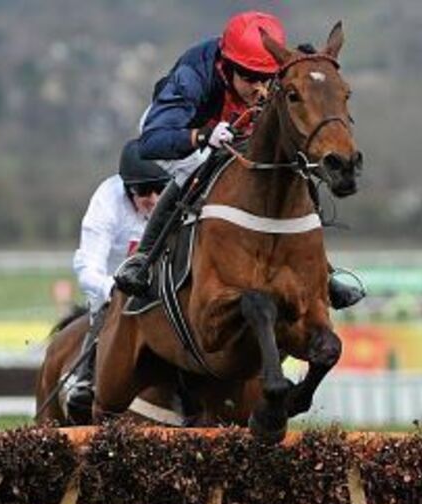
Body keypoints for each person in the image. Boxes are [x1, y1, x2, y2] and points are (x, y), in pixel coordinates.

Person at [113, 11, 365, 310]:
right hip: (179, 130)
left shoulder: (276, 67)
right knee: (194, 170)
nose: (258, 87)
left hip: (238, 127)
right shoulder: (192, 76)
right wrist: (203, 136)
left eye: (265, 78)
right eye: (249, 78)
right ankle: (144, 259)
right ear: (226, 66)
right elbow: (151, 141)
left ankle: (326, 272)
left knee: (292, 167)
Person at [62, 139, 171, 417]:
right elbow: (88, 267)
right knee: (108, 310)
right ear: (128, 188)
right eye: (144, 191)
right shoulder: (107, 202)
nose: (154, 199)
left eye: (161, 188)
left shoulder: (178, 193)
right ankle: (84, 381)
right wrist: (113, 288)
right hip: (114, 289)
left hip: (163, 288)